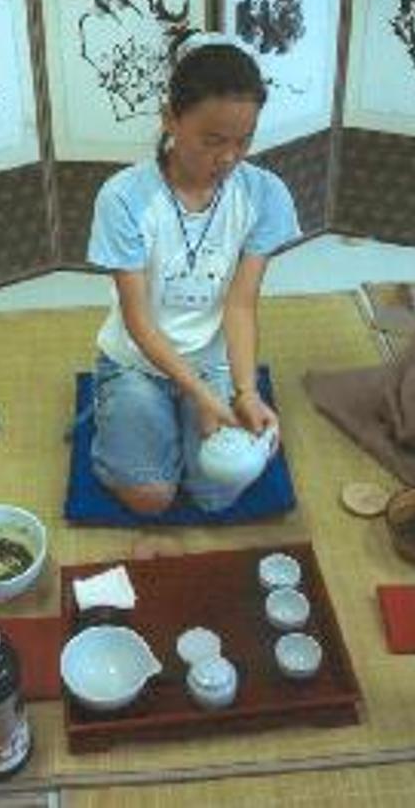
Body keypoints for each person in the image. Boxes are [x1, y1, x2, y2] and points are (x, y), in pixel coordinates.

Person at [86, 30, 301, 516]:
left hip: (213, 362)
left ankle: (174, 426)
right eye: (212, 140)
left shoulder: (264, 195)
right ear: (170, 119)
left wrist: (245, 391)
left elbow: (240, 305)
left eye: (243, 141)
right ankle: (114, 413)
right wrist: (200, 397)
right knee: (151, 499)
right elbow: (138, 321)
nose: (228, 157)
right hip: (136, 360)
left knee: (217, 491)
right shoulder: (123, 198)